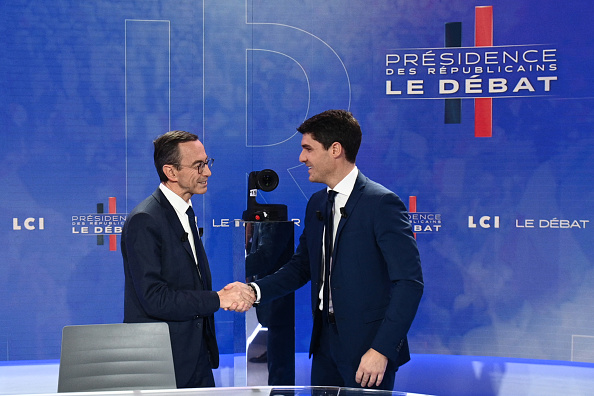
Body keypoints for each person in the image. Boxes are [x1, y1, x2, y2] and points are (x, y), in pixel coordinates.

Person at [251, 110, 424, 390]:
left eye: (308, 149)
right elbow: (301, 267)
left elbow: (409, 283)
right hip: (324, 348)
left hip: (368, 352)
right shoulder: (317, 203)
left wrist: (381, 350)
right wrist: (255, 291)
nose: (301, 158)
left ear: (335, 150)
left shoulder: (381, 204)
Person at [122, 130, 255, 388]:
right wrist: (218, 298)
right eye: (198, 166)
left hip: (196, 359)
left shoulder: (185, 212)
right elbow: (154, 299)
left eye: (207, 163)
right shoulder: (145, 220)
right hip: (162, 366)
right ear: (171, 172)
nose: (208, 173)